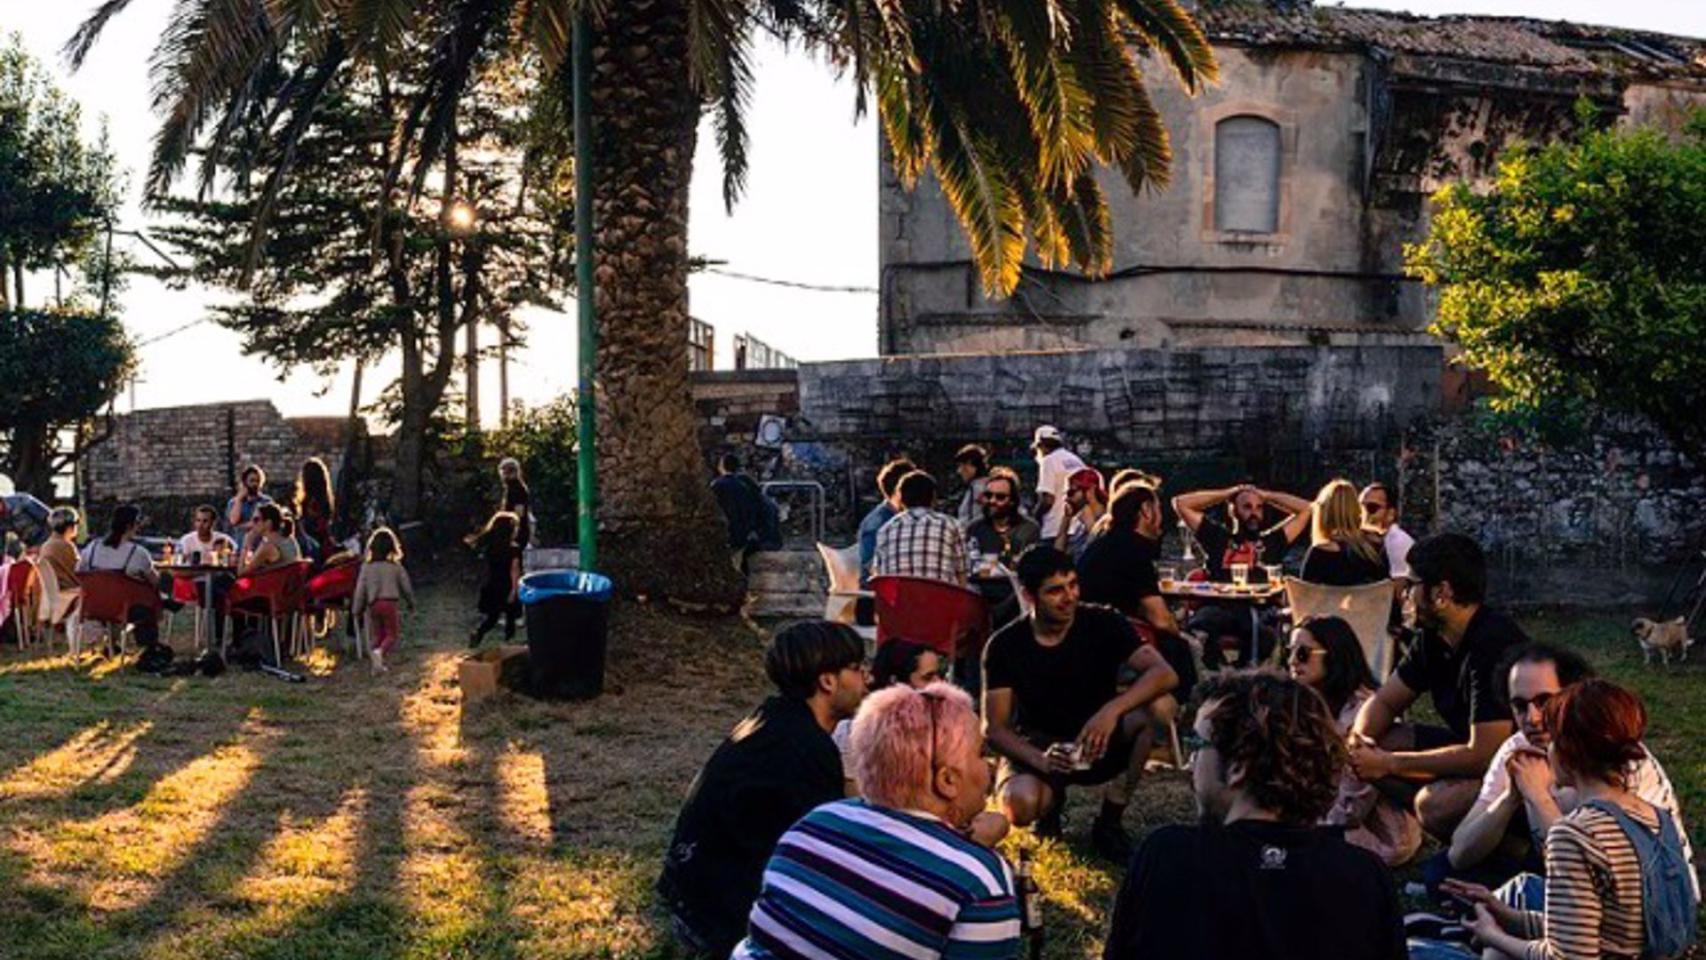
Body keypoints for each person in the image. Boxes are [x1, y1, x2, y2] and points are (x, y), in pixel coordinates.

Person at [1103, 669, 1406, 960]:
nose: (1190, 765)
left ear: (1239, 766)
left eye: (1198, 745)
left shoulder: (1166, 857)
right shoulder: (1365, 877)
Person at [732, 682, 1020, 960]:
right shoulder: (979, 882)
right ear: (947, 780)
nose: (989, 767)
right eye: (981, 754)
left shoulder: (817, 822)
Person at [659, 621, 867, 958]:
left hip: (689, 893)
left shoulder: (773, 718)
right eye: (856, 669)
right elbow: (825, 854)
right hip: (717, 920)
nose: (866, 678)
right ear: (827, 681)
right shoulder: (805, 748)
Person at [1453, 680, 1700, 960]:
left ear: (1568, 750)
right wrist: (1504, 913)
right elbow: (1593, 930)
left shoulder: (1575, 835)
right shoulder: (1656, 817)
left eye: (1553, 740)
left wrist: (1494, 936)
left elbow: (1566, 956)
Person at [1440, 643, 1694, 901]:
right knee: (1441, 873)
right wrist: (1509, 798)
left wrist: (1538, 796)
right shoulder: (1519, 749)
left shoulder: (1614, 755)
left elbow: (1603, 873)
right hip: (1570, 871)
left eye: (1544, 702)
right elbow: (1459, 854)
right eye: (1520, 705)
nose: (1532, 718)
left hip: (1645, 898)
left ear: (1574, 697)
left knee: (1506, 895)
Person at [984, 546, 1179, 860]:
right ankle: (1049, 807)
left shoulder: (1103, 621)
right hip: (1038, 742)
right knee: (1020, 806)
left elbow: (1164, 673)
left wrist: (1111, 710)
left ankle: (1111, 821)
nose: (1069, 597)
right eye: (1055, 591)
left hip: (1096, 737)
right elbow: (994, 729)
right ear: (1030, 596)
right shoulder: (1005, 645)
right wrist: (1039, 760)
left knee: (1152, 712)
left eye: (1073, 585)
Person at [1350, 533, 1527, 839]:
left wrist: (1389, 764)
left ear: (1441, 593)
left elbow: (1484, 754)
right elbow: (1385, 702)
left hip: (1523, 766)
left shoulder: (1493, 644)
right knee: (1381, 741)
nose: (1404, 595)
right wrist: (1358, 742)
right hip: (1476, 751)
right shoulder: (1433, 638)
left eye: (1411, 585)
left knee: (1435, 805)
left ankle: (1502, 846)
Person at [1290, 616, 1422, 866]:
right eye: (1291, 651)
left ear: (1334, 655)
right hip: (1326, 818)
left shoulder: (1366, 715)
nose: (1292, 661)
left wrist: (1293, 823)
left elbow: (1353, 807)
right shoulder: (1307, 704)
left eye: (1303, 653)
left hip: (1378, 835)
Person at [830, 637, 943, 792]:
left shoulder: (939, 729)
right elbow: (855, 795)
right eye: (928, 678)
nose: (939, 684)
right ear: (895, 682)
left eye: (939, 675)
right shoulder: (854, 733)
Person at [1077, 482, 1177, 636]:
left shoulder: (1104, 543)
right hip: (1109, 636)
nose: (1161, 518)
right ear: (1146, 510)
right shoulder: (1134, 552)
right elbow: (1161, 621)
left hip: (1084, 630)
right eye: (1158, 509)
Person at [1171, 482, 1313, 580]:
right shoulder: (1217, 537)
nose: (1254, 513)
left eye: (1259, 507)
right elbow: (1180, 503)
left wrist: (1267, 496)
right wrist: (1228, 493)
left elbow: (1308, 508)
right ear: (1233, 511)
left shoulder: (1272, 541)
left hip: (1260, 608)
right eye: (1247, 507)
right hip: (1220, 606)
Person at [871, 470, 968, 587]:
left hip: (901, 598)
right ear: (933, 498)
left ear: (901, 498)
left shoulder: (885, 530)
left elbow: (878, 574)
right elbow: (962, 572)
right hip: (940, 597)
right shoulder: (951, 525)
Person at [1299, 478, 1389, 586]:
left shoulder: (1319, 552)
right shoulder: (1377, 547)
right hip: (1373, 597)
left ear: (1324, 513)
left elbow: (1303, 594)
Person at [351, 527, 415, 675]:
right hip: (389, 603)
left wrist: (356, 609)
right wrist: (410, 602)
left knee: (377, 635)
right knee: (391, 634)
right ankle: (379, 654)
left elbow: (360, 589)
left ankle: (376, 663)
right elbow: (406, 586)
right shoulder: (395, 567)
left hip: (373, 604)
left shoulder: (367, 567)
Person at [710, 453, 780, 572]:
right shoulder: (745, 483)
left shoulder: (717, 485)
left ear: (721, 466)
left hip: (730, 531)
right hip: (748, 531)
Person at [467, 510, 523, 648]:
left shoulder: (490, 547)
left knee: (492, 617)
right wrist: (514, 590)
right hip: (507, 585)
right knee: (510, 617)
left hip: (492, 584)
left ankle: (479, 633)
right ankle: (509, 643)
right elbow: (514, 570)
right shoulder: (513, 549)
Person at [964, 469, 1040, 570]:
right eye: (988, 495)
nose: (992, 501)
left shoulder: (1029, 529)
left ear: (1012, 501)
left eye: (1000, 497)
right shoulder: (974, 528)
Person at [856, 457, 916, 584]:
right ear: (899, 491)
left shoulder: (906, 517)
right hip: (878, 590)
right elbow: (873, 568)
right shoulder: (877, 524)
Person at [1032, 425, 1086, 541]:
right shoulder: (1077, 460)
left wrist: (1034, 517)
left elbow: (1047, 500)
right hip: (1078, 529)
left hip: (1054, 530)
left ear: (1041, 446)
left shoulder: (1048, 461)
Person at [37, 507, 82, 631]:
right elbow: (79, 570)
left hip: (51, 596)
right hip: (68, 594)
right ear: (70, 526)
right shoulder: (66, 546)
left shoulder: (46, 546)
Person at [1361, 482, 1414, 579]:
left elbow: (1400, 583)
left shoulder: (1398, 542)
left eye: (1372, 508)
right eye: (1359, 507)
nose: (1363, 513)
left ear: (1391, 513)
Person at [1056, 466, 1107, 560]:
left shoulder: (1107, 520)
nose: (1067, 499)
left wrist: (1090, 525)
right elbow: (1057, 554)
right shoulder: (1079, 524)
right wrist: (1066, 520)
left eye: (1071, 493)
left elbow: (1102, 553)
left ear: (1090, 490)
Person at [292, 457, 336, 565]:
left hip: (311, 543)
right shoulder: (325, 499)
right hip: (323, 541)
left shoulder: (310, 502)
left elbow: (310, 523)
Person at [225, 464, 273, 547]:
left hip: (260, 546)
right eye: (252, 481)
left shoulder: (266, 501)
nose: (255, 484)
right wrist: (239, 500)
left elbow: (263, 524)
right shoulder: (233, 502)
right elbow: (233, 521)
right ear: (245, 482)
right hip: (239, 544)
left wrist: (241, 526)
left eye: (257, 481)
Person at [238, 503, 290, 575]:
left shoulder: (268, 546)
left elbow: (241, 573)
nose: (251, 524)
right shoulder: (287, 538)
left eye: (256, 520)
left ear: (268, 523)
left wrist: (246, 545)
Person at [953, 443, 992, 526]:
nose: (959, 471)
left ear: (969, 464)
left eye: (961, 466)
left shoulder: (978, 489)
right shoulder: (976, 487)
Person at [499, 457, 532, 549]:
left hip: (516, 534)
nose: (503, 475)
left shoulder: (517, 489)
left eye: (505, 472)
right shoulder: (511, 488)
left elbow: (519, 513)